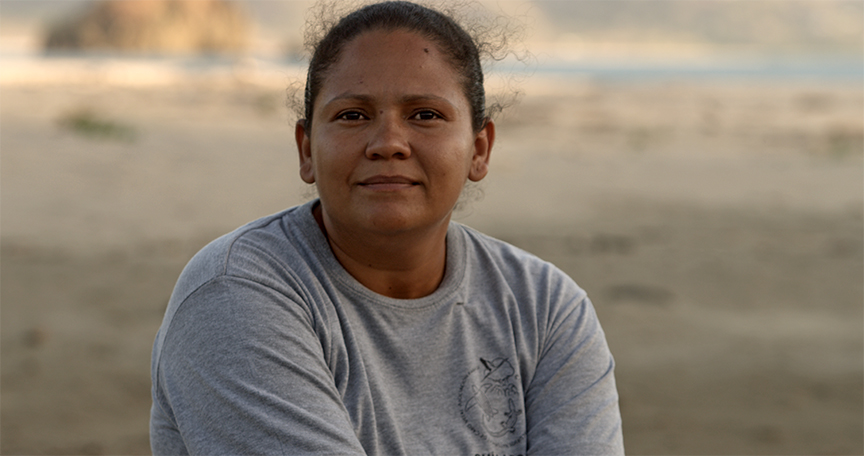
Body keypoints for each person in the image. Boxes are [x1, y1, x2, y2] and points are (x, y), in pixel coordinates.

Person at [150, 1, 624, 454]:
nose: (389, 143)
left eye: (425, 115)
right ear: (307, 150)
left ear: (479, 149)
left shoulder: (545, 308)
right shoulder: (237, 294)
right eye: (352, 115)